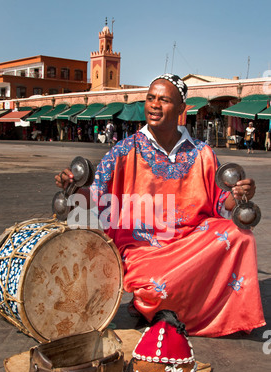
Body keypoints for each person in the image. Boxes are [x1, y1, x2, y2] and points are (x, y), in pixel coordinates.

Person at [55, 73, 265, 338]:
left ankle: (197, 312)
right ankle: (153, 305)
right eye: (150, 98)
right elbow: (95, 198)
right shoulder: (124, 150)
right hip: (144, 244)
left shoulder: (203, 153)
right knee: (156, 287)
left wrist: (241, 193)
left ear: (180, 109)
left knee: (240, 237)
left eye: (164, 100)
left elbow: (224, 203)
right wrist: (74, 187)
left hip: (193, 239)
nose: (154, 105)